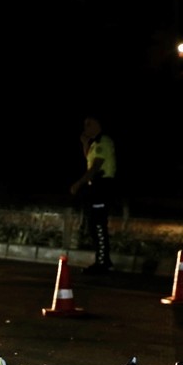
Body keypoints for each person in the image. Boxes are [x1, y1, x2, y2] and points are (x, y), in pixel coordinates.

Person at [69, 114, 117, 274]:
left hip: (102, 186)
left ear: (98, 125)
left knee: (98, 224)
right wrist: (84, 144)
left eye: (89, 124)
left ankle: (103, 263)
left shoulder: (104, 142)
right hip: (96, 187)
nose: (85, 128)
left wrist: (78, 183)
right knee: (93, 224)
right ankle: (103, 261)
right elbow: (89, 159)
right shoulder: (95, 143)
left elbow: (95, 167)